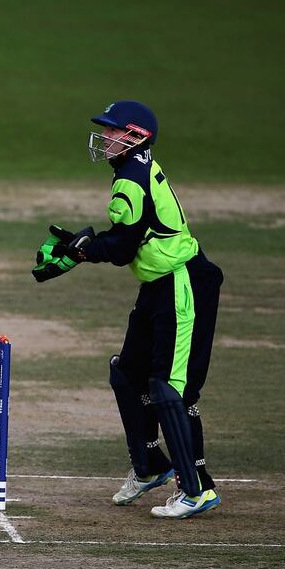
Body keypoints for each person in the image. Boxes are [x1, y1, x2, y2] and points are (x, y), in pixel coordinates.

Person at [32, 101, 223, 519]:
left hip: (181, 282)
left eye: (112, 131)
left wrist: (80, 251)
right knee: (126, 372)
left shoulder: (131, 178)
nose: (105, 138)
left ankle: (196, 491)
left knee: (168, 388)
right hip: (157, 285)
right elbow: (126, 240)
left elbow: (121, 248)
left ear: (136, 137)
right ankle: (150, 464)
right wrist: (80, 248)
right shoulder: (132, 171)